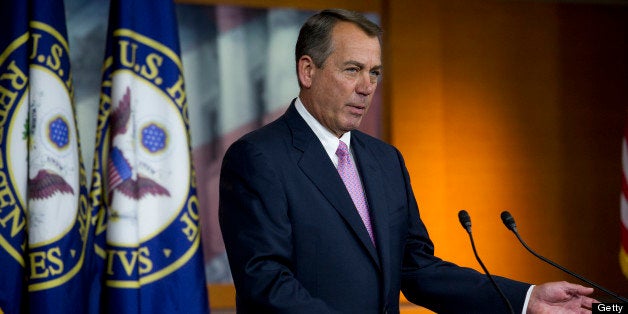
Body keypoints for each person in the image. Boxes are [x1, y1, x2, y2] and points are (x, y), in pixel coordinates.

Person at [218, 8, 597, 314]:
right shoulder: (258, 157)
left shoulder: (385, 160)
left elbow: (417, 269)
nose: (366, 86)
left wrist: (528, 299)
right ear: (308, 71)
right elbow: (265, 281)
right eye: (352, 69)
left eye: (374, 73)